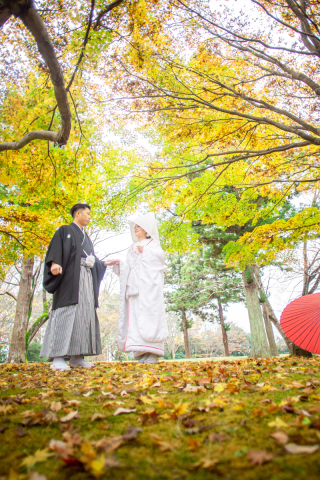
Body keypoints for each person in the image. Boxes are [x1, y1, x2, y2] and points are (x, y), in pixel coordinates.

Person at [40, 203, 118, 371]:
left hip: (86, 279)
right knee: (65, 312)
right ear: (78, 214)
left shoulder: (87, 237)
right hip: (69, 279)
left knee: (84, 314)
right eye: (87, 213)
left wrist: (103, 263)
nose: (90, 217)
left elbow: (91, 258)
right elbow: (55, 249)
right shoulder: (64, 231)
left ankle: (77, 357)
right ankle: (58, 357)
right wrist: (54, 263)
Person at [113, 212, 167, 364]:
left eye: (139, 226)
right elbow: (128, 266)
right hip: (135, 287)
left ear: (147, 230)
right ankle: (141, 353)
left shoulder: (153, 245)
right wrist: (118, 264)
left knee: (150, 317)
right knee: (135, 319)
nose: (136, 229)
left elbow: (161, 260)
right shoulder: (131, 247)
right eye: (135, 227)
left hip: (150, 288)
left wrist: (147, 252)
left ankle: (153, 353)